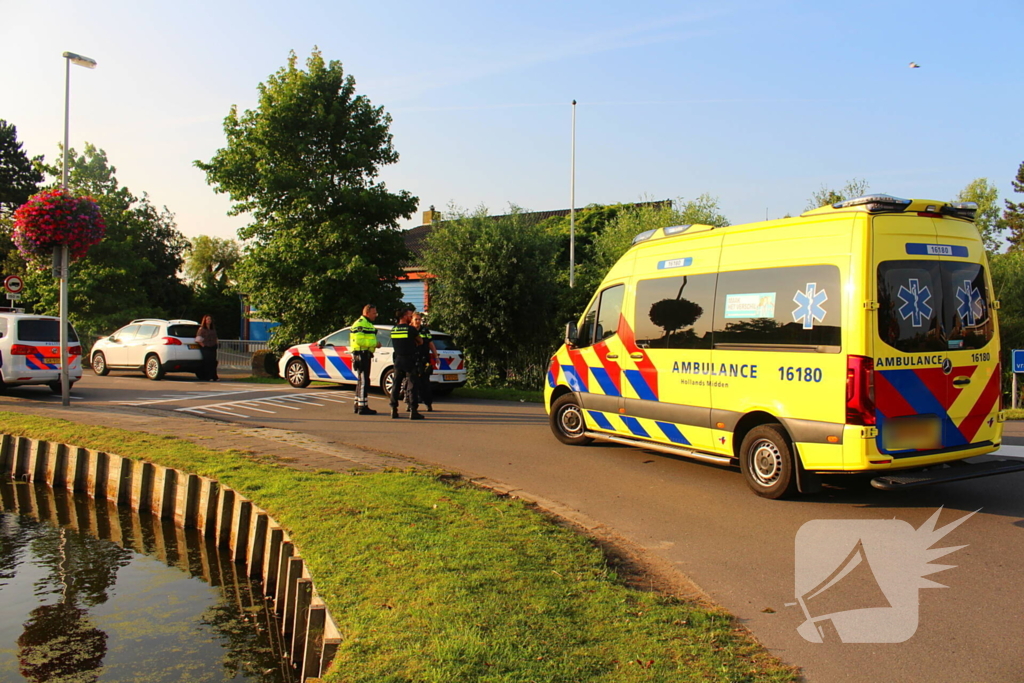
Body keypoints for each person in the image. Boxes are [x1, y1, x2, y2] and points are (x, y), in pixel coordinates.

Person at [389, 307, 424, 420]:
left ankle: (393, 409)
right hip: (409, 359)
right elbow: (420, 341)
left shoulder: (393, 329)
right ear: (404, 316)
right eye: (409, 315)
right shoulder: (410, 329)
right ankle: (413, 410)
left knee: (396, 385)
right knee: (412, 385)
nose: (410, 317)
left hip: (398, 359)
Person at [349, 304, 380, 415]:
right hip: (361, 354)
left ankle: (358, 404)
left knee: (362, 380)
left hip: (365, 354)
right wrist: (375, 344)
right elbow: (359, 341)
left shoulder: (367, 324)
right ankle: (362, 407)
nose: (375, 315)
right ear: (367, 313)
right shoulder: (360, 324)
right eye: (373, 313)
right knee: (364, 381)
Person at [411, 312, 438, 412]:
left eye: (419, 319)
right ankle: (411, 404)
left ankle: (428, 403)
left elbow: (431, 344)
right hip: (413, 359)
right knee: (412, 383)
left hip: (424, 360)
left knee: (425, 383)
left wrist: (436, 356)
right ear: (412, 320)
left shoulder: (425, 330)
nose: (418, 321)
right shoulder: (410, 330)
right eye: (416, 319)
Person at [195, 315, 219, 381]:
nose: (209, 321)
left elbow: (215, 337)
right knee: (207, 362)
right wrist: (203, 345)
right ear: (205, 321)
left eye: (210, 319)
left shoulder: (212, 329)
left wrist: (216, 343)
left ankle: (214, 376)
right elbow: (198, 339)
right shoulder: (202, 329)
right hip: (206, 347)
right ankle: (208, 377)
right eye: (208, 319)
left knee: (213, 362)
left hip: (213, 347)